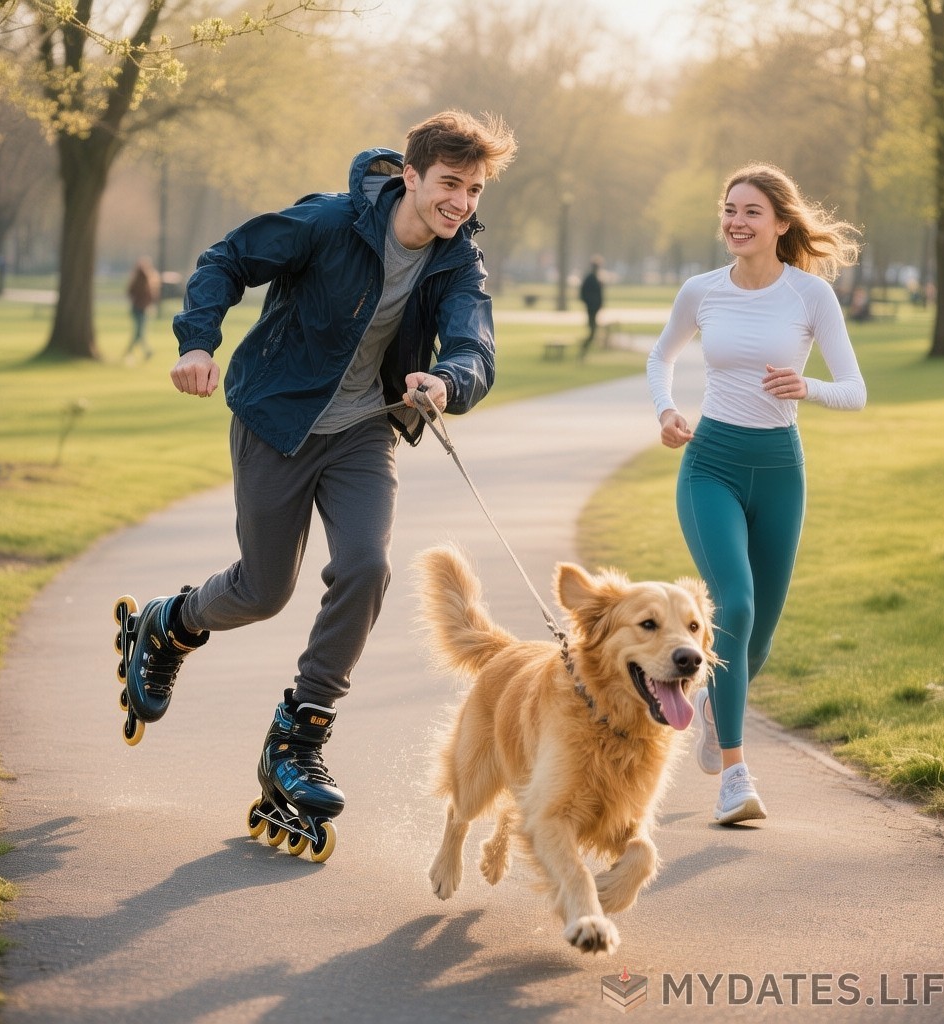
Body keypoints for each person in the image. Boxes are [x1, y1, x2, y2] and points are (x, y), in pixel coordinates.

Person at [115, 110, 517, 858]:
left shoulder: (460, 261)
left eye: (474, 190)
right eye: (449, 184)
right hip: (277, 417)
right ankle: (170, 623)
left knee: (367, 566)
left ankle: (300, 735)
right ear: (411, 176)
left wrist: (448, 379)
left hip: (365, 429)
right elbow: (227, 259)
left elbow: (475, 344)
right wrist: (197, 342)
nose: (461, 203)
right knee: (263, 590)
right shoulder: (330, 223)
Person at [646, 163, 865, 826]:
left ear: (780, 223)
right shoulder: (702, 291)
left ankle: (714, 705)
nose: (736, 222)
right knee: (734, 605)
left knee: (756, 640)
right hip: (709, 464)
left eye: (751, 212)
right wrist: (666, 411)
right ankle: (735, 778)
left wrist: (808, 387)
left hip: (779, 471)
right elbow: (661, 357)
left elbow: (854, 391)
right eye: (730, 209)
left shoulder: (810, 295)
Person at [125, 257, 161, 359]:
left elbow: (129, 292)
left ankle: (132, 352)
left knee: (139, 332)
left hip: (137, 309)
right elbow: (152, 296)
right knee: (139, 332)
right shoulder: (149, 280)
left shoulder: (137, 280)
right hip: (141, 309)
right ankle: (141, 351)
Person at [578, 256, 604, 359]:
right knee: (592, 331)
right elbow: (583, 294)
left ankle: (584, 349)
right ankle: (583, 349)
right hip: (591, 308)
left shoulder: (596, 278)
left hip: (595, 308)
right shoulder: (590, 279)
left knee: (593, 330)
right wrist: (591, 303)